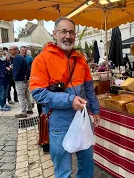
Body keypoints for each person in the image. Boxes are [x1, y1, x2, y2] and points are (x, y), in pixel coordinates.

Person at [30, 17, 100, 178]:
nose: (67, 36)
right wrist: (69, 100)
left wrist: (95, 110)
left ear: (75, 35)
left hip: (82, 120)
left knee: (87, 163)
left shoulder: (80, 59)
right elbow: (38, 94)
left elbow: (89, 88)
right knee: (63, 170)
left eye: (71, 32)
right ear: (54, 34)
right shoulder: (41, 60)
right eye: (63, 31)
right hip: (59, 122)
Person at [10, 45, 33, 118]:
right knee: (26, 95)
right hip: (24, 79)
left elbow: (17, 70)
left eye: (11, 49)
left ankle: (24, 112)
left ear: (16, 50)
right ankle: (29, 109)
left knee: (21, 96)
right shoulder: (20, 57)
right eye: (9, 49)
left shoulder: (17, 58)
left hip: (20, 80)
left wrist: (14, 78)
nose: (10, 51)